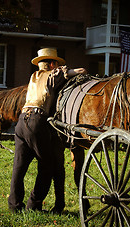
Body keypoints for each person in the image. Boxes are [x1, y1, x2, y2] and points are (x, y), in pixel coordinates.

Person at [8, 48, 87, 213]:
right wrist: (74, 71)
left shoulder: (33, 77)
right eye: (56, 63)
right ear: (52, 64)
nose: (58, 65)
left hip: (21, 122)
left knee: (19, 167)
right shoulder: (53, 74)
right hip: (37, 121)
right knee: (48, 166)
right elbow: (79, 71)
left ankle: (14, 206)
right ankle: (33, 205)